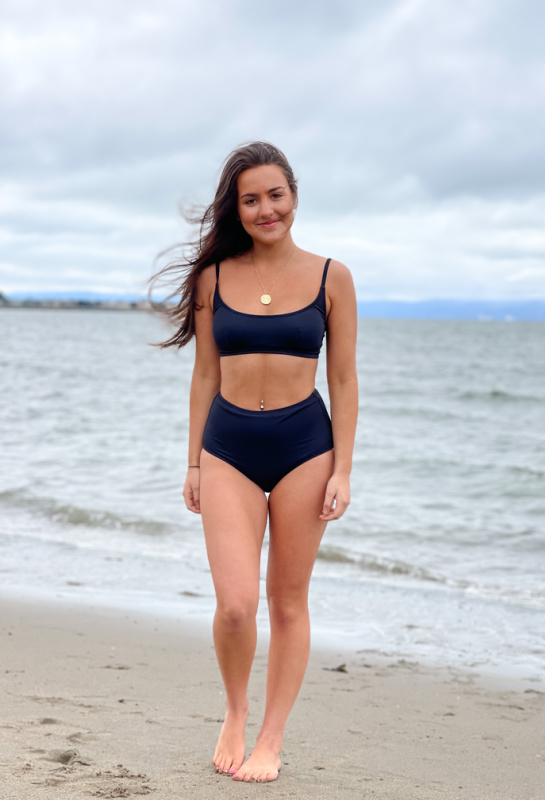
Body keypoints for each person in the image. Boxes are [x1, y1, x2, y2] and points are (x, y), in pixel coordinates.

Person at [151, 141, 358, 782]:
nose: (266, 209)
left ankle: (270, 739)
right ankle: (236, 711)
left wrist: (343, 470)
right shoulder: (213, 279)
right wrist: (192, 464)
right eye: (251, 199)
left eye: (275, 195)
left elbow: (345, 381)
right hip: (229, 448)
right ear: (235, 209)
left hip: (305, 448)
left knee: (288, 601)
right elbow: (204, 373)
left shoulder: (332, 277)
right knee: (237, 604)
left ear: (294, 197)